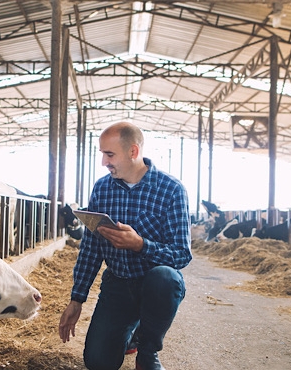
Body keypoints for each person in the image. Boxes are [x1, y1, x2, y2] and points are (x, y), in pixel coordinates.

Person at [58, 122, 192, 370]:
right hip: (118, 284)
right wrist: (77, 299)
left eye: (109, 155)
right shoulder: (102, 189)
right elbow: (91, 247)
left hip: (154, 285)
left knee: (165, 277)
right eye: (102, 154)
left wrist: (141, 245)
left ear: (133, 151)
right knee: (98, 363)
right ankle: (129, 329)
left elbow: (182, 255)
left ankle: (148, 350)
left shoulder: (171, 190)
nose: (103, 162)